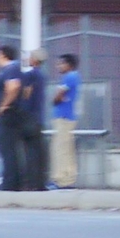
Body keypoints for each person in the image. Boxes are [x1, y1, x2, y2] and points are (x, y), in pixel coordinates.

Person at [0, 45, 44, 193]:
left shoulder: (18, 71)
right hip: (31, 116)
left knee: (10, 149)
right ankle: (30, 183)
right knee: (29, 152)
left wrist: (3, 105)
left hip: (19, 115)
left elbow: (17, 89)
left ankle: (13, 182)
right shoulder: (39, 74)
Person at [48, 52, 79, 188]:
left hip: (64, 117)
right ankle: (68, 179)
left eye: (61, 63)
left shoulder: (70, 77)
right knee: (66, 149)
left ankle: (60, 180)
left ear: (69, 65)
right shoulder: (75, 76)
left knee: (60, 149)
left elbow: (58, 96)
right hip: (68, 117)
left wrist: (55, 100)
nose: (58, 66)